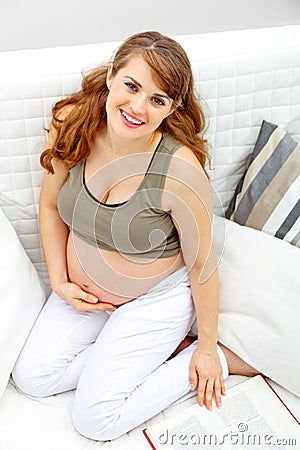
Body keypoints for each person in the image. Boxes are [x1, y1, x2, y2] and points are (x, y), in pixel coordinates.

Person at [12, 31, 259, 441]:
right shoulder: (72, 123)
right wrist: (59, 280)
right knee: (32, 377)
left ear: (172, 107)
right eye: (131, 86)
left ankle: (206, 356)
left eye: (157, 99)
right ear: (111, 76)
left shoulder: (179, 170)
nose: (137, 107)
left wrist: (205, 346)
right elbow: (52, 206)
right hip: (86, 296)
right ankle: (153, 351)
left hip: (154, 299)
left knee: (95, 420)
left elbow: (201, 264)